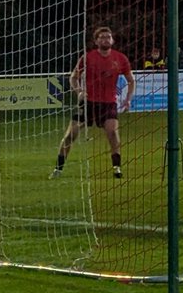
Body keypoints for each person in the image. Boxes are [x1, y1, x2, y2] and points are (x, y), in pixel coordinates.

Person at [51, 26, 135, 179]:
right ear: (96, 41)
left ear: (112, 40)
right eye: (102, 37)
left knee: (112, 133)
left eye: (108, 37)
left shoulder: (120, 58)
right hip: (88, 103)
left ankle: (117, 168)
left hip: (108, 103)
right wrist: (80, 91)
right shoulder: (87, 57)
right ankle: (58, 169)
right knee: (71, 135)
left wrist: (128, 100)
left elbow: (131, 81)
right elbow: (73, 77)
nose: (105, 39)